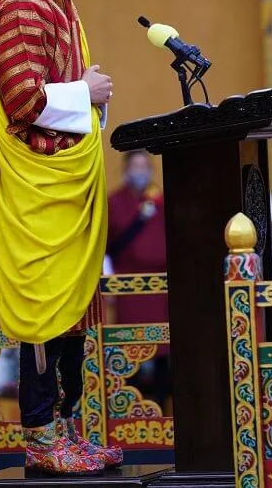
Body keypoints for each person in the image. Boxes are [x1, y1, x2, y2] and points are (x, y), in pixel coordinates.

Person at [0, 0, 122, 475]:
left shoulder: (63, 8)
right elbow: (22, 99)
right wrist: (85, 91)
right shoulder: (23, 5)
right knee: (44, 315)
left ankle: (69, 430)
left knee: (72, 311)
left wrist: (85, 93)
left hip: (63, 183)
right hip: (35, 188)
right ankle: (41, 435)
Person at [105, 150, 171, 411]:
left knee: (163, 346)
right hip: (128, 286)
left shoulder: (162, 201)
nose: (140, 171)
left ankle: (163, 405)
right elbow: (107, 245)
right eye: (135, 166)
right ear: (125, 170)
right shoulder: (114, 202)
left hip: (160, 286)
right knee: (129, 343)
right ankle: (129, 405)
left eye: (145, 166)